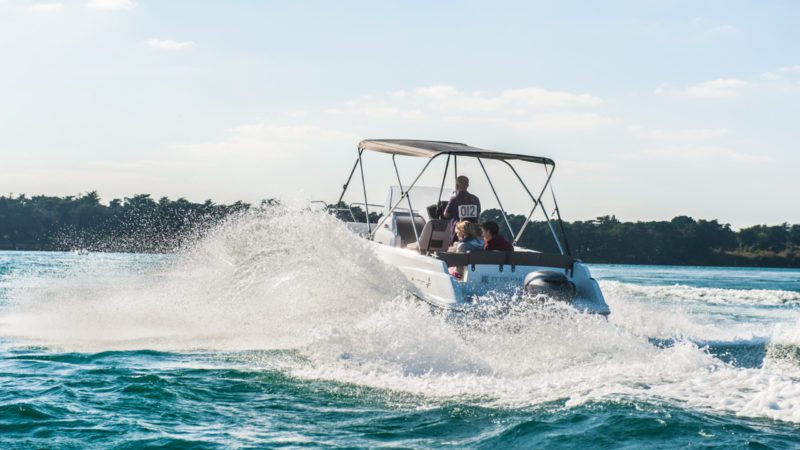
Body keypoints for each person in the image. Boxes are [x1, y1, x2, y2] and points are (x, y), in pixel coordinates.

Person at [442, 175, 481, 245]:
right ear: (468, 185)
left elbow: (446, 214)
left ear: (456, 185)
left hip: (459, 229)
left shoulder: (454, 199)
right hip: (473, 229)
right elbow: (478, 215)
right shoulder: (475, 199)